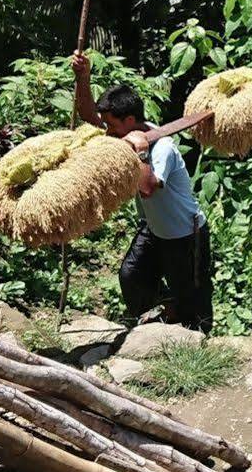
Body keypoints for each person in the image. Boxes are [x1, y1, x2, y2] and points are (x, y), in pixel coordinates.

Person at [71, 52, 211, 331]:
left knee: (193, 295)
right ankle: (170, 307)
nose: (107, 131)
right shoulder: (120, 134)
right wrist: (83, 77)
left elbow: (147, 188)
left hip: (185, 234)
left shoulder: (163, 148)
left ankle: (200, 338)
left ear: (130, 120)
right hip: (154, 229)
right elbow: (88, 118)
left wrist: (142, 153)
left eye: (111, 124)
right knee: (131, 277)